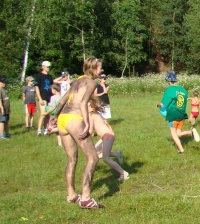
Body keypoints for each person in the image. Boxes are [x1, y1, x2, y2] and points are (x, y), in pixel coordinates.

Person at [52, 57, 104, 209]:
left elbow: (63, 100)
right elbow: (83, 103)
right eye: (99, 68)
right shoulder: (91, 82)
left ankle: (71, 195)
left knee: (72, 159)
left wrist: (55, 116)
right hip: (74, 119)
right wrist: (87, 122)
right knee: (93, 157)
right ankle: (86, 198)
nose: (101, 70)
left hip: (63, 118)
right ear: (93, 68)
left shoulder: (77, 81)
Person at [157, 71, 199, 153]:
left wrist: (158, 104)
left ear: (168, 80)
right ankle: (191, 132)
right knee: (178, 133)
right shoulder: (183, 90)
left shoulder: (169, 90)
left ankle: (181, 150)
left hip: (173, 115)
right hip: (182, 115)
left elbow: (163, 104)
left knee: (173, 134)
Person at [89, 97, 129, 181]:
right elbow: (103, 124)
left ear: (90, 106)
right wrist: (98, 133)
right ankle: (116, 154)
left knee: (106, 158)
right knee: (94, 153)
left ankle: (123, 173)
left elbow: (89, 131)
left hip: (107, 136)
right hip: (106, 135)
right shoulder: (97, 113)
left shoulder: (91, 115)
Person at [34, 60, 54, 135]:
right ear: (43, 67)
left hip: (49, 97)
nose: (48, 68)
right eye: (47, 67)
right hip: (42, 97)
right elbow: (36, 88)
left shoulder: (50, 77)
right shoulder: (39, 76)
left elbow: (52, 86)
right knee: (43, 114)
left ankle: (45, 130)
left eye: (49, 67)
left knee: (48, 115)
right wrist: (39, 98)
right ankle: (39, 130)